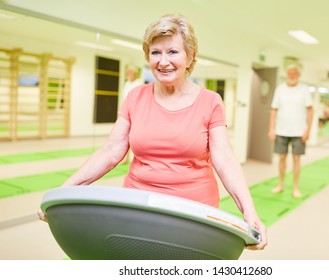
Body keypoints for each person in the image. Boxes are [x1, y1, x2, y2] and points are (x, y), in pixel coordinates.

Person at [38, 14, 267, 250]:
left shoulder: (211, 101)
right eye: (155, 52)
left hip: (193, 212)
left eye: (173, 52)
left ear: (190, 57)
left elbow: (225, 159)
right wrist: (64, 190)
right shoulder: (135, 97)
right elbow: (111, 151)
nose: (163, 61)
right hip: (139, 208)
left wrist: (249, 211)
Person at [268, 64, 313, 199]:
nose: (292, 75)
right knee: (281, 158)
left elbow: (310, 110)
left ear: (298, 75)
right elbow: (274, 110)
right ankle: (281, 184)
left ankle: (295, 187)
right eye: (290, 73)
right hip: (281, 130)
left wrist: (308, 130)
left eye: (295, 73)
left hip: (299, 132)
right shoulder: (280, 89)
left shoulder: (304, 89)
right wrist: (271, 128)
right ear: (286, 74)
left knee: (296, 158)